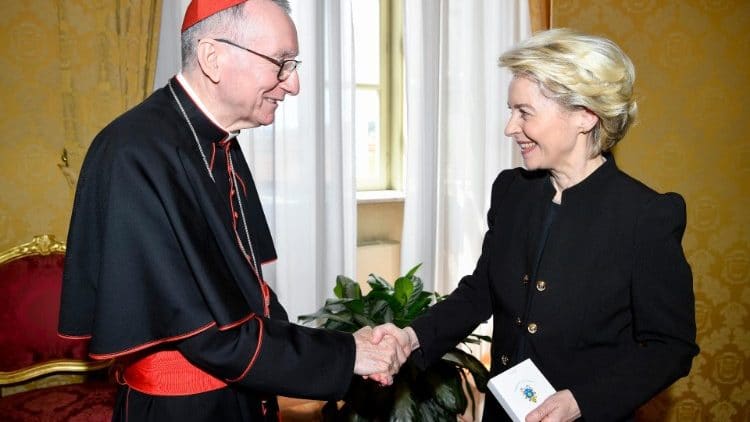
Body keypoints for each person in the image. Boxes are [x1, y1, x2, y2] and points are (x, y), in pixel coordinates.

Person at [58, 1, 405, 421]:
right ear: (212, 57)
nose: (292, 85)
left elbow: (247, 297)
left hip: (240, 392)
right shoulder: (135, 153)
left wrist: (346, 347)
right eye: (281, 63)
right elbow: (210, 337)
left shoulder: (218, 142)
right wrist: (348, 354)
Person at [373, 28, 699, 421]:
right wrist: (411, 337)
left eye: (524, 112)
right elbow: (480, 293)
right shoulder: (512, 191)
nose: (510, 127)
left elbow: (669, 347)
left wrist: (581, 401)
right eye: (511, 110)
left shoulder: (646, 216)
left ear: (584, 114)